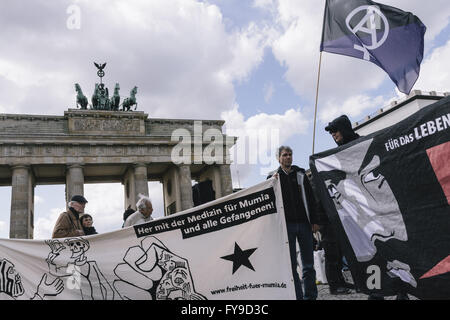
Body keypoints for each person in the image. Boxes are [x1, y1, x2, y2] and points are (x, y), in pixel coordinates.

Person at [324, 115, 409, 300]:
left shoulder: (363, 146)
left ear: (344, 129)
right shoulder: (335, 157)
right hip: (359, 215)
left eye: (335, 131)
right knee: (372, 255)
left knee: (391, 250)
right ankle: (377, 291)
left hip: (378, 208)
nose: (333, 135)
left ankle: (402, 290)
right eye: (331, 133)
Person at [267, 146, 319, 300]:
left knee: (308, 264)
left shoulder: (301, 174)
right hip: (286, 226)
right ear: (278, 158)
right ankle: (297, 296)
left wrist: (315, 221)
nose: (288, 157)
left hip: (304, 224)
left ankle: (310, 296)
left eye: (290, 154)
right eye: (284, 155)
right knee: (291, 265)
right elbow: (269, 202)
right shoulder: (272, 178)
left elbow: (311, 198)